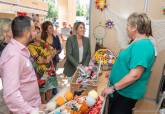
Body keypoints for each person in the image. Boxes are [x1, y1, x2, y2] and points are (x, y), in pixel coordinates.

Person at [102, 12, 156, 114]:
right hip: (123, 91)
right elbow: (128, 64)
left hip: (126, 93)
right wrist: (114, 73)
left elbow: (135, 75)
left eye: (127, 25)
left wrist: (113, 88)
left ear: (134, 27)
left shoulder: (142, 45)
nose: (126, 28)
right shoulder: (136, 42)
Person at [0, 16, 44, 114]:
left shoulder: (19, 50)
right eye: (33, 30)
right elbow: (11, 95)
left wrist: (37, 105)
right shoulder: (13, 55)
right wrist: (32, 111)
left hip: (31, 106)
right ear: (27, 32)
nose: (36, 32)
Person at [41, 21, 60, 96]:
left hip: (54, 61)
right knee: (45, 77)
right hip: (45, 62)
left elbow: (59, 48)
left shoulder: (56, 37)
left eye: (52, 27)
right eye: (50, 27)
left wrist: (56, 52)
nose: (52, 29)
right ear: (46, 30)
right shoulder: (42, 39)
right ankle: (44, 93)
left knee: (52, 76)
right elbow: (41, 51)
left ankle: (54, 91)